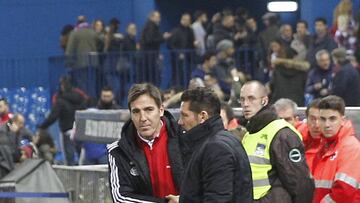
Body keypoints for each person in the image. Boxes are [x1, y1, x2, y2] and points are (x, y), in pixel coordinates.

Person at [166, 87, 253, 202]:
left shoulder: (216, 148)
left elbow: (217, 199)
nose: (180, 122)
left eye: (185, 115)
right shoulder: (224, 140)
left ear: (203, 116)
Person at [240, 80, 314, 202]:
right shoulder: (250, 133)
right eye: (242, 99)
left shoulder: (283, 134)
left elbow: (300, 183)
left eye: (251, 98)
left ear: (264, 100)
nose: (246, 104)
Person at [107, 83, 183, 202]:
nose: (143, 118)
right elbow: (121, 198)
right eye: (136, 112)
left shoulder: (184, 139)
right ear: (131, 115)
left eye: (149, 110)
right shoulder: (118, 151)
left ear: (161, 110)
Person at [312, 95, 360, 202]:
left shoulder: (350, 147)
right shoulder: (323, 148)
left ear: (343, 120)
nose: (327, 124)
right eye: (323, 119)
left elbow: (344, 192)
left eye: (332, 119)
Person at [38, 76, 88, 165]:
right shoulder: (80, 97)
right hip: (80, 130)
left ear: (62, 86)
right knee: (82, 157)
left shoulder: (60, 100)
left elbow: (53, 116)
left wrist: (42, 126)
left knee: (69, 159)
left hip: (66, 131)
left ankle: (72, 178)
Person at [82, 86, 119, 165]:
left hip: (111, 148)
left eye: (108, 96)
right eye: (104, 96)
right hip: (97, 148)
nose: (106, 99)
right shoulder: (95, 111)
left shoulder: (118, 111)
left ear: (113, 96)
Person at [296, 99, 323, 174]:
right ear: (306, 119)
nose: (316, 125)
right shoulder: (295, 139)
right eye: (312, 119)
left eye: (321, 119)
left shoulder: (338, 146)